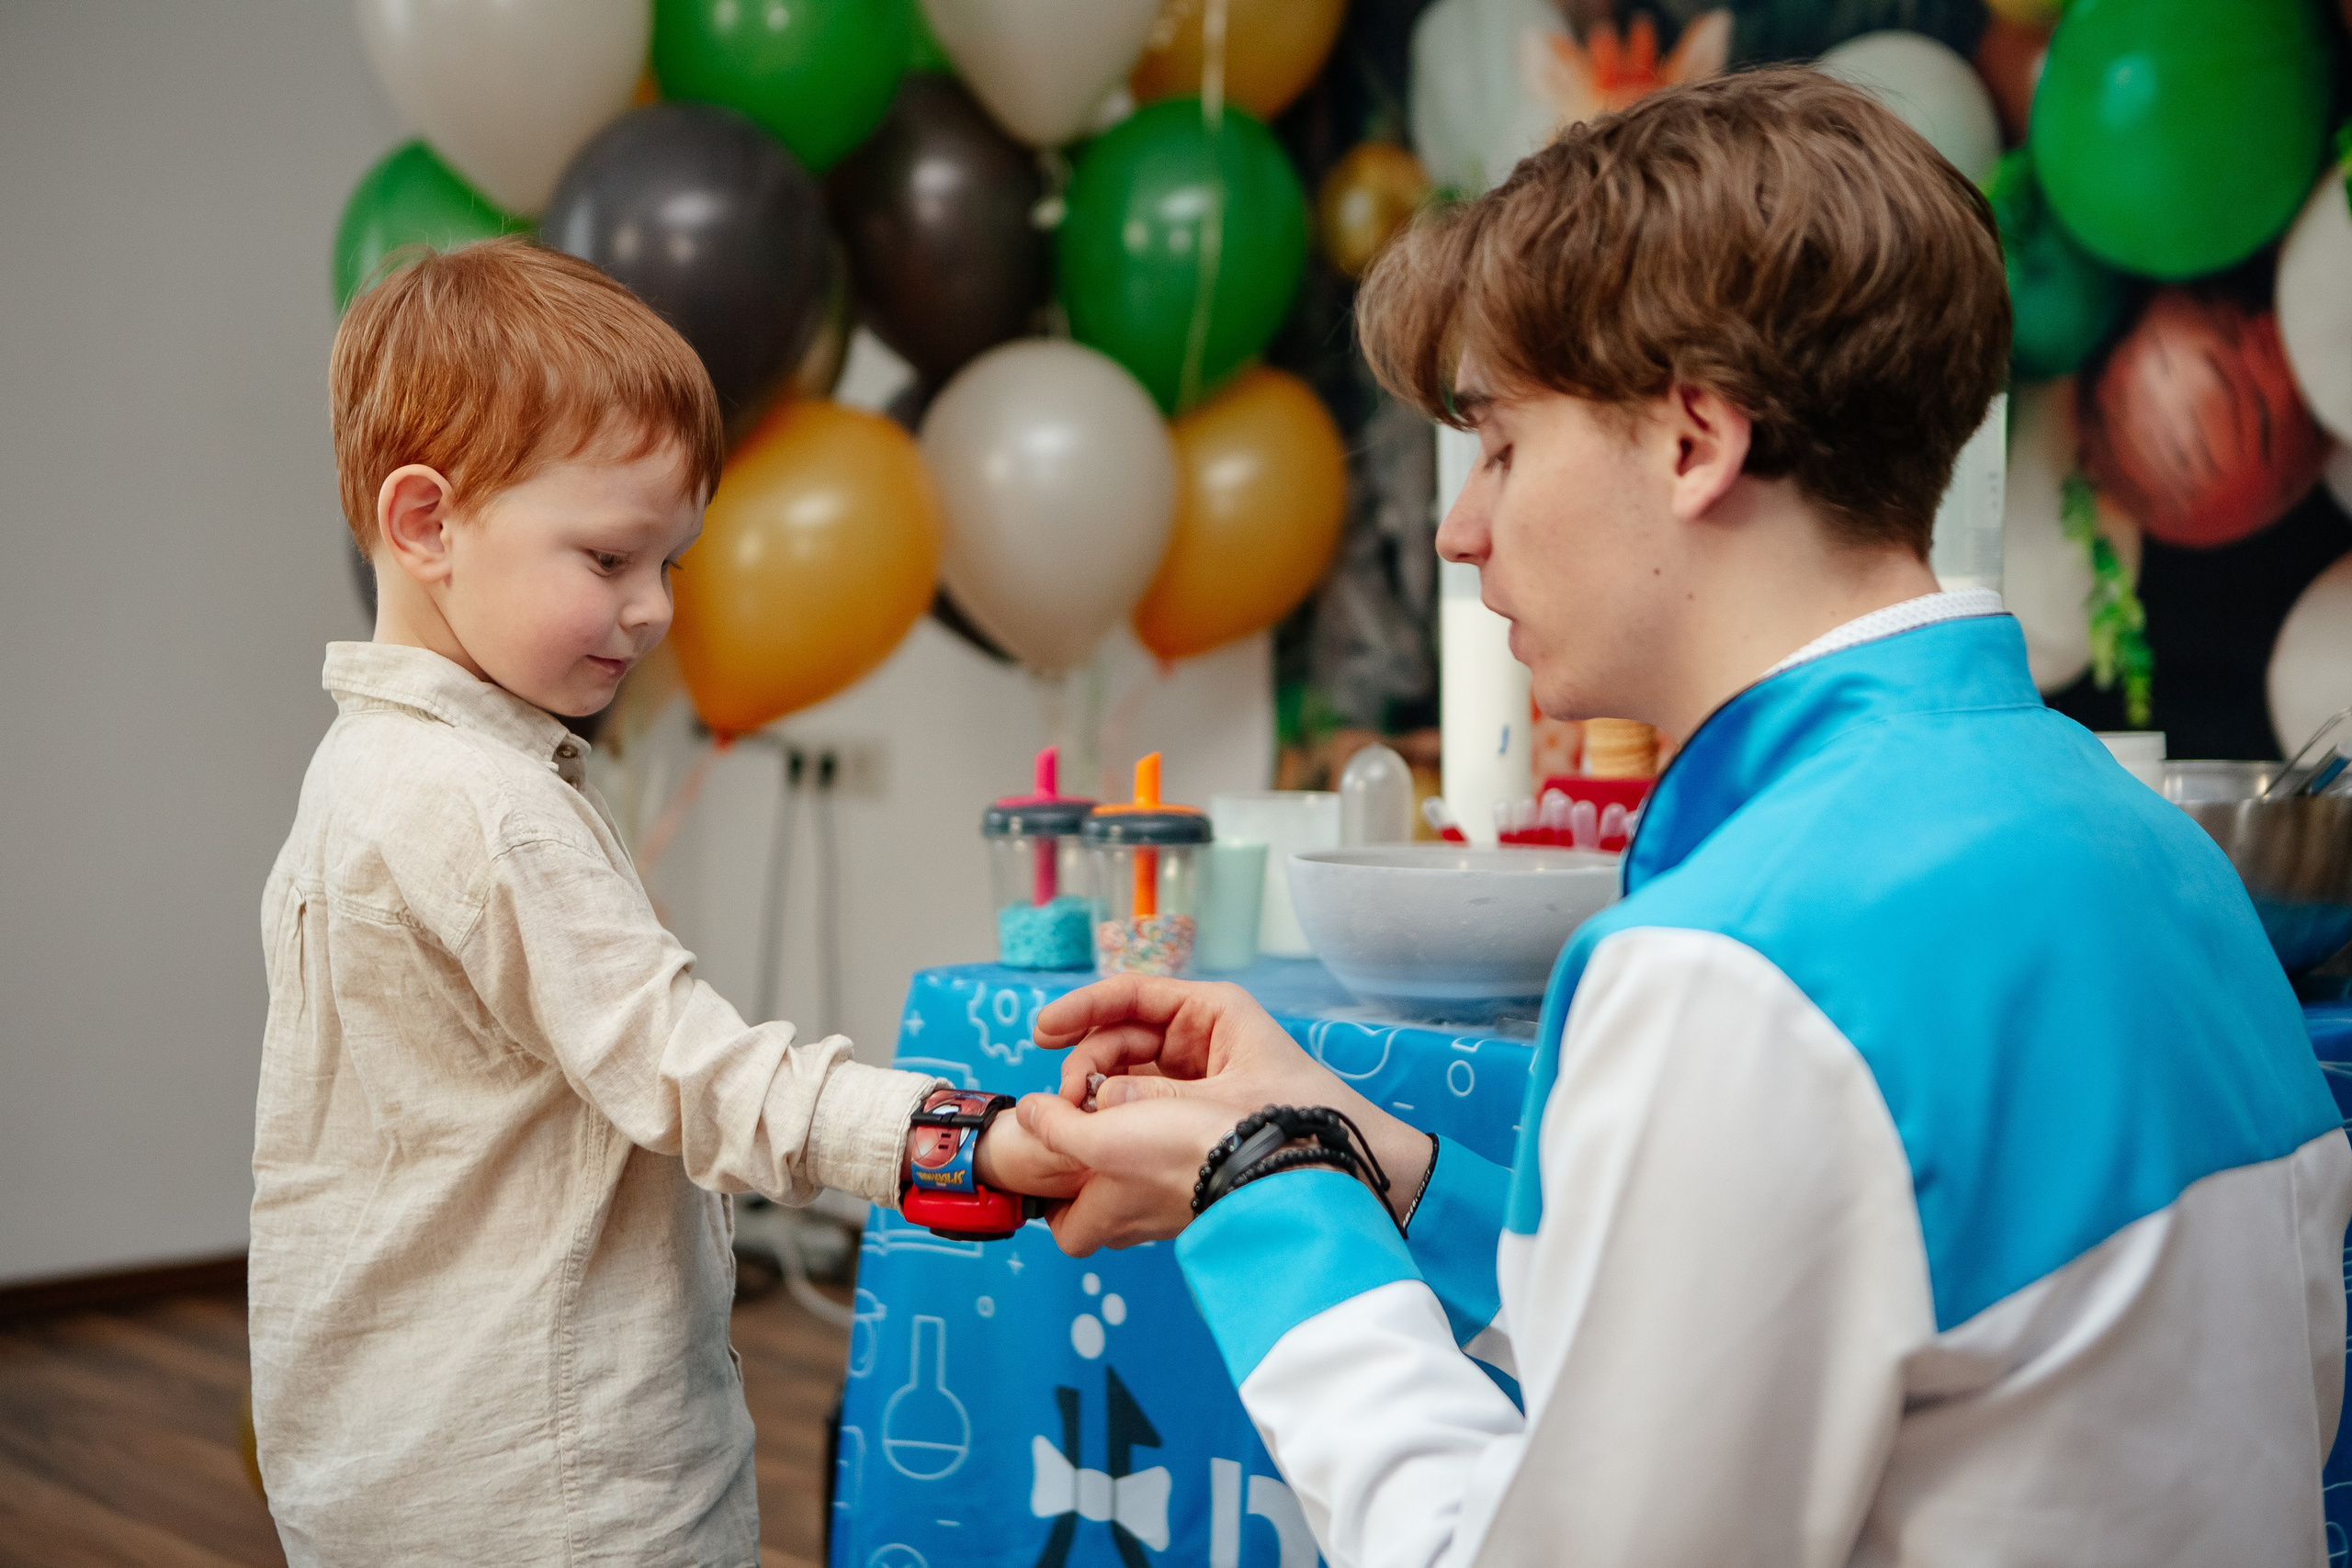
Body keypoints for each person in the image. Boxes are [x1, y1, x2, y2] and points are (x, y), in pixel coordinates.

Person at [1013, 71, 2352, 1566]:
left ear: (1694, 442)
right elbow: (1795, 1310)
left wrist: (1268, 1192)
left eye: (1504, 446)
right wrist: (1355, 1151)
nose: (1461, 530)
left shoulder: (1742, 965)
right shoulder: (2156, 853)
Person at [250, 238, 1073, 1566]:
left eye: (672, 566)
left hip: (386, 1476)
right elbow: (691, 1070)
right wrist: (956, 1135)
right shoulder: (488, 807)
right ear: (424, 523)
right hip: (559, 1496)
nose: (651, 611)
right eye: (612, 557)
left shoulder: (359, 771)